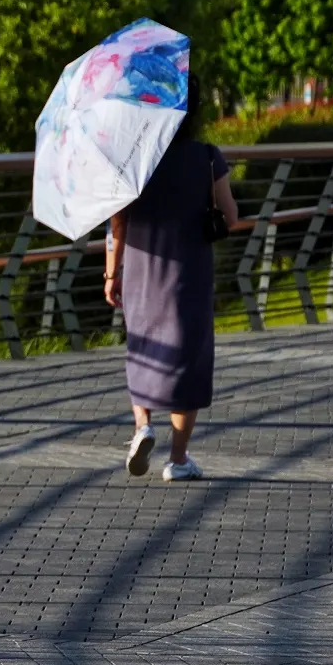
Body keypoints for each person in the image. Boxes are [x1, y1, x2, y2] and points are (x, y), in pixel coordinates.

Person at [104, 107, 238, 482]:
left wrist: (111, 273)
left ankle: (143, 426)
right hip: (189, 273)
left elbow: (117, 223)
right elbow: (231, 214)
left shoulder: (135, 158)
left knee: (142, 348)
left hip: (141, 270)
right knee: (189, 361)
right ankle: (178, 460)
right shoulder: (207, 156)